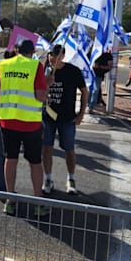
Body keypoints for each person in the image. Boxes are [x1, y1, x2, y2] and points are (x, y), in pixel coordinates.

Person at [0, 40, 49, 216]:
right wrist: (47, 87)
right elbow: (40, 96)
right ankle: (38, 203)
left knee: (11, 159)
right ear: (32, 52)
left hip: (7, 121)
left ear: (16, 50)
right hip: (30, 123)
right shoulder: (35, 66)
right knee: (35, 162)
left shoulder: (4, 65)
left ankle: (10, 200)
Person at [42, 45, 88, 195]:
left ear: (63, 55)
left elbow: (84, 91)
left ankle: (71, 178)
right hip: (47, 117)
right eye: (50, 54)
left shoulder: (73, 71)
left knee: (69, 149)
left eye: (55, 54)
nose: (52, 57)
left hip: (67, 118)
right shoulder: (44, 70)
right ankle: (48, 179)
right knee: (47, 148)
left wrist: (81, 113)